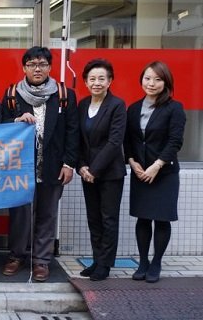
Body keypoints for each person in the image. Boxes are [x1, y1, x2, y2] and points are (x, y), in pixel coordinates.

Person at [0, 46, 79, 282]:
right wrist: (16, 120)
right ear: (24, 68)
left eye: (42, 64)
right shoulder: (13, 94)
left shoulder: (64, 94)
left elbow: (73, 132)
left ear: (50, 67)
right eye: (32, 64)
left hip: (53, 164)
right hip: (21, 167)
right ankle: (16, 256)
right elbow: (1, 126)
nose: (37, 68)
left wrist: (69, 163)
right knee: (20, 213)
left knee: (47, 213)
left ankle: (41, 260)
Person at [124, 61, 185, 283]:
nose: (151, 83)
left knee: (161, 219)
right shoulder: (133, 108)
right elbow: (128, 140)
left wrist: (156, 165)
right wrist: (132, 162)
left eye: (158, 79)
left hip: (164, 173)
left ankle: (156, 262)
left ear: (166, 83)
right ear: (141, 80)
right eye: (148, 78)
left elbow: (175, 141)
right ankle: (142, 262)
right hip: (140, 172)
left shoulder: (174, 108)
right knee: (142, 218)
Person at [77, 59, 127, 281]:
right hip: (87, 172)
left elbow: (115, 142)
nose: (96, 83)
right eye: (92, 79)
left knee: (108, 219)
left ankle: (105, 264)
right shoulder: (82, 104)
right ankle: (97, 260)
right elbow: (78, 139)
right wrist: (81, 166)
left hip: (109, 173)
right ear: (86, 82)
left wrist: (94, 170)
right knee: (93, 218)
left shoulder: (117, 105)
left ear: (110, 81)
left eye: (101, 79)